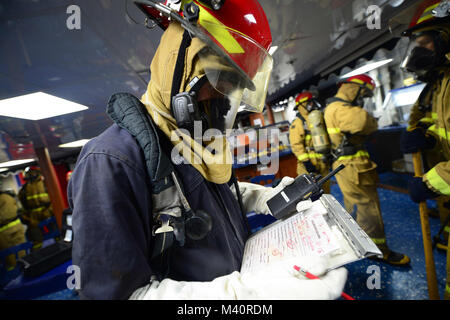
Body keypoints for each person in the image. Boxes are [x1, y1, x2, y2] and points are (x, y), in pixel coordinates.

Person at [68, 0, 347, 300]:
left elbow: (208, 193)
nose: (221, 97)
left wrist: (266, 199)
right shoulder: (111, 161)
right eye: (217, 78)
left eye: (231, 86)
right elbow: (117, 296)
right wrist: (244, 295)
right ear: (180, 66)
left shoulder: (192, 137)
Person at [324, 74, 410, 266]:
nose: (364, 98)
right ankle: (378, 251)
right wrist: (372, 120)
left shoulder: (333, 108)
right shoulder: (341, 109)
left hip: (348, 166)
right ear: (355, 89)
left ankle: (362, 244)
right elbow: (365, 123)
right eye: (364, 93)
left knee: (357, 206)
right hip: (354, 164)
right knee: (369, 209)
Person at [397, 0, 450, 299]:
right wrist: (429, 139)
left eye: (426, 41)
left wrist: (430, 182)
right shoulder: (443, 81)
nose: (419, 50)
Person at [289, 92, 330, 193]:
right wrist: (306, 162)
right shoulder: (298, 123)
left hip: (322, 161)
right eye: (309, 102)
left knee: (326, 191)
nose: (312, 104)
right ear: (301, 105)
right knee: (311, 194)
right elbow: (296, 145)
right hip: (308, 164)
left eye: (312, 102)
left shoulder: (316, 118)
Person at [18, 166, 54, 250]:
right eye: (29, 173)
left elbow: (55, 199)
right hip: (33, 218)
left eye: (32, 172)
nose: (30, 175)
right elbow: (24, 207)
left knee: (56, 232)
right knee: (36, 240)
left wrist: (49, 211)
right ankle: (38, 255)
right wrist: (28, 219)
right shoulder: (23, 190)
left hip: (48, 214)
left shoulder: (46, 184)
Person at [0, 187, 26, 271]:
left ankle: (13, 277)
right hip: (17, 226)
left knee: (9, 256)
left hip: (3, 231)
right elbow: (18, 209)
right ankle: (25, 267)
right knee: (22, 250)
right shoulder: (8, 196)